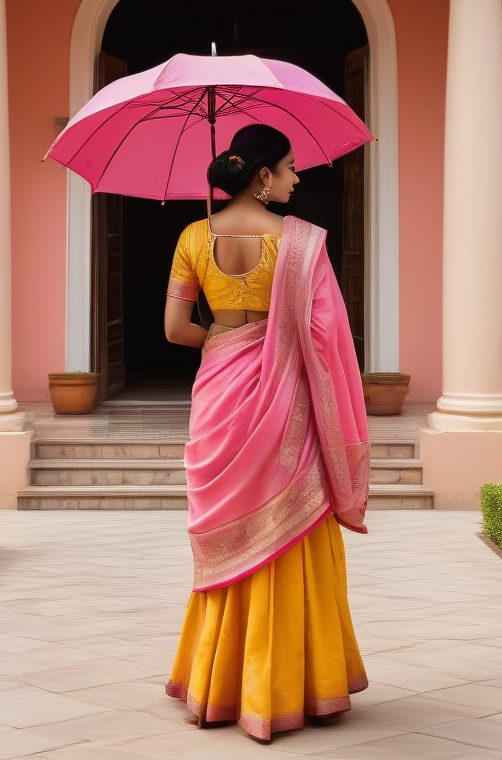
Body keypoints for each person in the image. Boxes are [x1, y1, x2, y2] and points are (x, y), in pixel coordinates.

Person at [162, 122, 370, 742]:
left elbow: (174, 329)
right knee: (292, 524)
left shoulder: (194, 236)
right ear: (262, 175)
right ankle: (297, 684)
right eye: (290, 167)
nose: (297, 178)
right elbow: (327, 338)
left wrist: (227, 341)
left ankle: (220, 683)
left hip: (219, 392)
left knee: (231, 525)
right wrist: (272, 344)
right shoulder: (301, 242)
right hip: (287, 403)